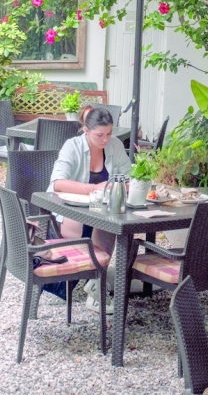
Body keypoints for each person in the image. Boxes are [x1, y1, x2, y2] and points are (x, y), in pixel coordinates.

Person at [48, 105, 131, 312]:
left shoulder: (115, 145)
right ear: (86, 130)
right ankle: (96, 281)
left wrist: (121, 187)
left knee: (113, 220)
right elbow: (58, 183)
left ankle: (96, 285)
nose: (105, 139)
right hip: (70, 208)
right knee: (105, 221)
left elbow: (130, 178)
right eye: (99, 135)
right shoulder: (72, 146)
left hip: (100, 208)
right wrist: (94, 188)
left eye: (109, 133)